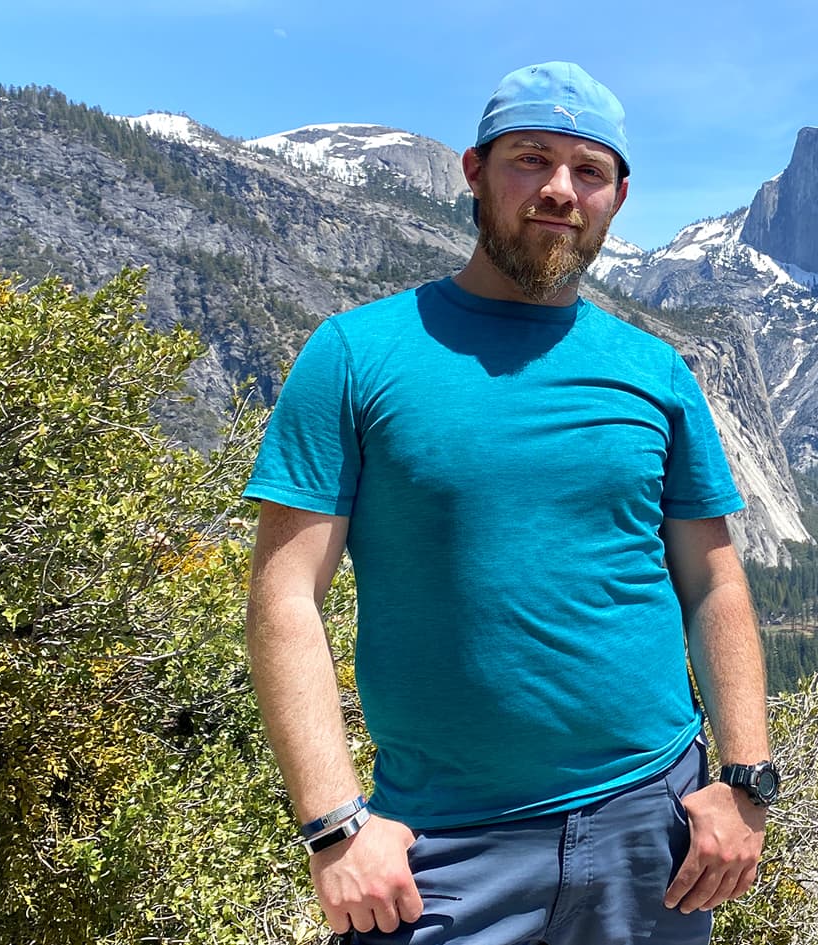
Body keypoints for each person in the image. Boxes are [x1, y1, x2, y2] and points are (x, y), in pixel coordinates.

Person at [242, 61, 777, 945]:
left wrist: (746, 780)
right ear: (475, 172)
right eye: (531, 159)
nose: (560, 190)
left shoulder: (656, 371)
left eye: (588, 171)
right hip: (439, 846)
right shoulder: (355, 354)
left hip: (655, 830)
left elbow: (713, 582)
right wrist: (335, 824)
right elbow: (285, 596)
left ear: (616, 196)